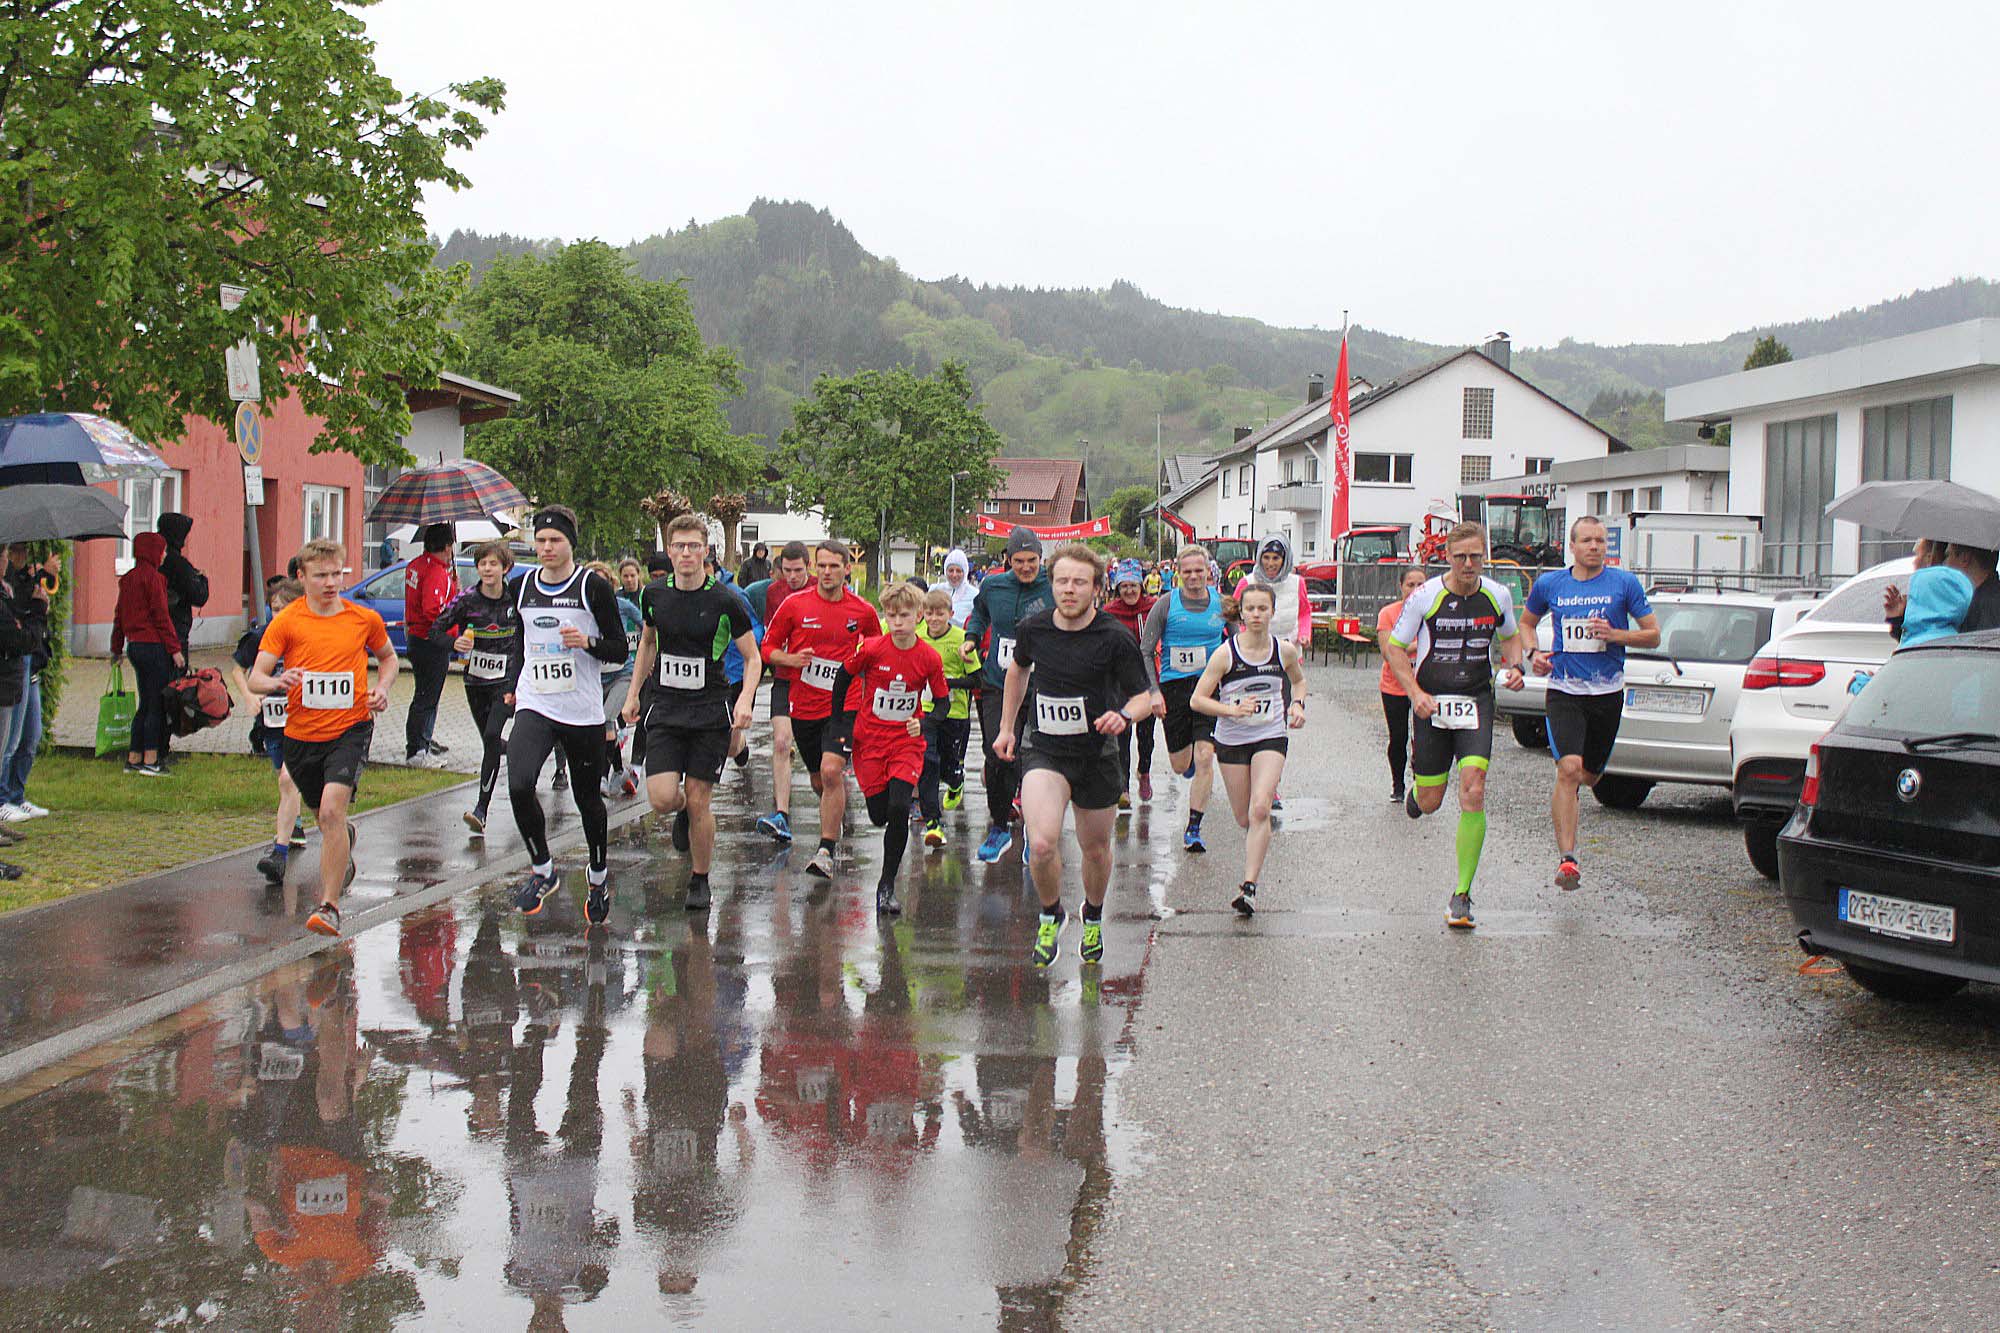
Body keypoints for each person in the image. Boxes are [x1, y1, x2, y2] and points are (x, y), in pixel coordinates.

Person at [994, 544, 1152, 967]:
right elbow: (1018, 669)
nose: (1069, 589)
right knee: (1041, 842)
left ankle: (1094, 914)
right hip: (1044, 749)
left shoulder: (1115, 638)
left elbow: (1143, 698)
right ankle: (1050, 913)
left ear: (1097, 589)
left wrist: (1123, 715)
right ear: (1052, 584)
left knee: (1095, 849)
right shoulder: (1034, 629)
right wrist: (1008, 727)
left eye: (1079, 582)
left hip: (1096, 755)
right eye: (1061, 581)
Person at [251, 539, 399, 937]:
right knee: (325, 818)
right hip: (301, 736)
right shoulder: (287, 621)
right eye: (321, 576)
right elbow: (255, 676)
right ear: (302, 577)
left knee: (332, 811)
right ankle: (344, 839)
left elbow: (388, 658)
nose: (332, 582)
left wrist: (382, 688)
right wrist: (276, 680)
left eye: (338, 574)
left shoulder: (362, 618)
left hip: (350, 728)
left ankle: (329, 906)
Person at [1384, 523, 1525, 929]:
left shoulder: (1496, 595)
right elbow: (1394, 649)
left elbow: (1511, 638)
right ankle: (1418, 792)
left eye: (1476, 557)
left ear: (1485, 557)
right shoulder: (1426, 597)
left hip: (1476, 700)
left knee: (1474, 788)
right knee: (1430, 801)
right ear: (1446, 556)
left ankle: (1462, 894)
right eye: (1460, 556)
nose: (1468, 564)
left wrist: (1514, 667)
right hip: (1431, 703)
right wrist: (1414, 694)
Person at [1516, 515, 1659, 895]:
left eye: (1600, 541)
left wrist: (1617, 634)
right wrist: (1534, 654)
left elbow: (1653, 634)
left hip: (1607, 693)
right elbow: (1526, 624)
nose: (1595, 546)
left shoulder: (1623, 583)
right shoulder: (1551, 584)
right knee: (1569, 768)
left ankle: (1575, 795)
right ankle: (1568, 858)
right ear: (1573, 546)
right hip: (1564, 690)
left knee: (1590, 777)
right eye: (1587, 541)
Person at [623, 514, 759, 912]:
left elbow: (753, 658)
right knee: (663, 798)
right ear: (669, 550)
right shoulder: (654, 595)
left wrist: (745, 700)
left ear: (706, 551)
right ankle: (682, 811)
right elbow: (647, 644)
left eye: (693, 546)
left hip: (708, 711)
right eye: (679, 546)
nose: (686, 553)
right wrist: (633, 694)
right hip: (665, 706)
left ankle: (700, 879)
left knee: (701, 798)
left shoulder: (725, 601)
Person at [505, 506, 631, 925]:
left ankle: (598, 875)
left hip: (580, 709)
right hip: (535, 702)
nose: (545, 548)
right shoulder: (521, 586)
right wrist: (510, 685)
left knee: (586, 799)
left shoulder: (591, 587)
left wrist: (588, 642)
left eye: (554, 541)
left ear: (570, 544)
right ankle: (543, 869)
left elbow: (618, 648)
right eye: (540, 540)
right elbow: (519, 641)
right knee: (520, 784)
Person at [759, 540, 880, 878]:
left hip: (845, 704)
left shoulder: (863, 611)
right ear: (816, 568)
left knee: (831, 771)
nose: (827, 572)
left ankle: (826, 849)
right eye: (822, 566)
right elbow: (766, 649)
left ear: (846, 569)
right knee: (818, 779)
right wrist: (790, 659)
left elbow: (876, 652)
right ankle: (834, 808)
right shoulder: (794, 605)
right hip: (805, 706)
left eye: (834, 566)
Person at [1190, 581, 1308, 917]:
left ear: (1272, 612)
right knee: (1244, 817)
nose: (1257, 615)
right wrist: (1231, 710)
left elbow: (1298, 680)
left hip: (1271, 736)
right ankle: (1251, 868)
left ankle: (1249, 888)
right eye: (1250, 609)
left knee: (1260, 809)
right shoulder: (1226, 653)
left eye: (1263, 609)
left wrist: (1297, 704)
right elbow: (1197, 699)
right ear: (1241, 613)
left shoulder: (1283, 650)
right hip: (1231, 740)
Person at [831, 581, 949, 914]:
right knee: (880, 814)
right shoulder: (871, 649)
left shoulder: (928, 657)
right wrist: (839, 722)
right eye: (891, 615)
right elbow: (843, 677)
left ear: (920, 616)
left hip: (906, 742)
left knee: (899, 807)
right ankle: (879, 812)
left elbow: (941, 703)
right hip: (869, 740)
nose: (897, 622)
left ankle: (886, 886)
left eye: (905, 615)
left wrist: (923, 724)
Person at [965, 526, 1053, 863]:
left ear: (1040, 559)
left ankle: (1034, 829)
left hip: (1041, 684)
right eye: (1019, 561)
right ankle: (999, 825)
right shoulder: (993, 584)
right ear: (1008, 559)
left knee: (1035, 759)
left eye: (1032, 561)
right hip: (997, 682)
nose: (1026, 567)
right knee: (997, 754)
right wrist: (973, 637)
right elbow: (980, 612)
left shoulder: (1052, 586)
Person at [1142, 545, 1229, 854]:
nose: (1193, 576)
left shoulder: (1221, 604)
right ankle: (1188, 764)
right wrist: (1153, 691)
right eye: (1187, 571)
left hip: (1208, 688)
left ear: (1208, 571)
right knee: (1181, 765)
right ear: (1178, 572)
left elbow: (1236, 644)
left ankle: (1194, 827)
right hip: (1174, 688)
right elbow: (1145, 649)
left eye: (1199, 570)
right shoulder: (1166, 604)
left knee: (1206, 756)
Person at [429, 542, 521, 835]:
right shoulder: (467, 600)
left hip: (507, 681)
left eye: (493, 564)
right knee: (490, 742)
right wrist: (454, 644)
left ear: (505, 568)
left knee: (493, 734)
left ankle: (481, 808)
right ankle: (520, 749)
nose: (487, 569)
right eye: (483, 564)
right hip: (475, 681)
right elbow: (434, 631)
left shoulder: (515, 598)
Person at [234, 578, 308, 882]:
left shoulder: (307, 637)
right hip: (272, 721)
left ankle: (279, 852)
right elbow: (239, 669)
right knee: (286, 779)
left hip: (303, 720)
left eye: (284, 609)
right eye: (274, 609)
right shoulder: (261, 636)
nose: (278, 616)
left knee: (287, 779)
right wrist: (250, 696)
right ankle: (301, 824)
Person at [748, 542, 814, 842]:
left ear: (808, 567)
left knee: (822, 769)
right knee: (781, 742)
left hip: (818, 685)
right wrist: (784, 658)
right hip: (786, 679)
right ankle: (782, 815)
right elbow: (769, 642)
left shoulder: (821, 587)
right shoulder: (773, 593)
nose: (792, 577)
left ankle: (833, 801)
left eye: (798, 570)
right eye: (786, 571)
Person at [109, 531, 183, 775]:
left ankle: (134, 756)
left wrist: (116, 648)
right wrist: (175, 649)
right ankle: (151, 760)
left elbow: (119, 616)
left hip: (135, 647)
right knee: (156, 704)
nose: (162, 556)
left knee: (145, 702)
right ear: (152, 552)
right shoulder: (154, 579)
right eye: (160, 551)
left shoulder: (128, 579)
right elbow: (161, 617)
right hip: (154, 647)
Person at [914, 585, 981, 846]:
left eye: (939, 614)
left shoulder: (962, 639)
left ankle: (956, 781)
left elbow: (977, 678)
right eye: (929, 614)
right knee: (927, 763)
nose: (933, 619)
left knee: (947, 766)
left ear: (950, 613)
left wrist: (946, 684)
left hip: (955, 713)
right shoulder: (917, 636)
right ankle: (933, 824)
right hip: (926, 712)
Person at [0, 545, 55, 823]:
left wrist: (42, 579)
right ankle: (3, 798)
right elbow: (16, 622)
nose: (15, 558)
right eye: (11, 553)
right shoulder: (8, 585)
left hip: (29, 663)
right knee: (8, 741)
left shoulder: (21, 580)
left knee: (31, 735)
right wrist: (36, 608)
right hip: (13, 666)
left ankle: (16, 795)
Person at [1102, 560, 1157, 808]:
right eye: (1124, 586)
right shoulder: (1110, 612)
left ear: (1141, 585)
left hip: (1146, 680)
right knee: (1121, 734)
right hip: (1120, 682)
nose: (1129, 591)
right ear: (1117, 588)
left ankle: (1143, 772)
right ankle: (1123, 787)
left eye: (1133, 586)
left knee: (1146, 736)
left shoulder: (1153, 608)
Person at [588, 559, 643, 799]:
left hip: (623, 673)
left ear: (611, 584)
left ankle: (602, 776)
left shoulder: (623, 606)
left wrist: (644, 658)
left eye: (603, 581)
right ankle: (620, 770)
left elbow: (649, 631)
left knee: (604, 720)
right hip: (594, 677)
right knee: (604, 727)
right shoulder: (581, 610)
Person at [1377, 566, 1427, 804]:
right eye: (1411, 585)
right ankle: (1398, 784)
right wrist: (1418, 645)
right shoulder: (1389, 613)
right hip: (1394, 685)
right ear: (1401, 587)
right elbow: (1389, 651)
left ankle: (1422, 782)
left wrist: (1407, 645)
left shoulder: (1433, 611)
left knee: (1425, 736)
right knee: (1398, 737)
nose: (1416, 590)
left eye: (1421, 585)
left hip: (1426, 684)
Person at [1889, 537, 1974, 649]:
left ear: (1929, 558)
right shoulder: (1960, 644)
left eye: (1917, 555)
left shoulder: (1915, 647)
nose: (1914, 561)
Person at [1242, 536, 1313, 647]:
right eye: (1266, 557)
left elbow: (1304, 613)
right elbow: (1234, 616)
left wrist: (1304, 634)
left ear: (1284, 560)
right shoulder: (1247, 582)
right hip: (1254, 652)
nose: (1270, 563)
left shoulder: (1298, 583)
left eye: (1276, 558)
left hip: (1290, 653)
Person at [941, 548, 978, 627]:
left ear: (965, 572)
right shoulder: (936, 590)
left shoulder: (975, 594)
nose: (954, 575)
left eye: (958, 571)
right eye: (951, 570)